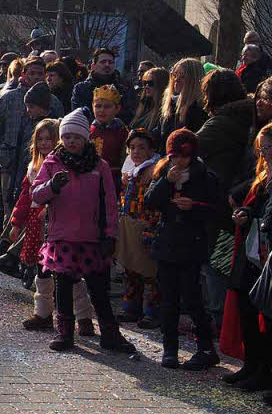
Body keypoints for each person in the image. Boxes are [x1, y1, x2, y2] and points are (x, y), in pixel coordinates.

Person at [30, 110, 136, 354]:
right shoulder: (53, 163)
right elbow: (36, 195)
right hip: (62, 236)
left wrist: (110, 234)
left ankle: (110, 334)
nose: (71, 142)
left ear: (85, 138)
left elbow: (110, 203)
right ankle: (64, 333)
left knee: (99, 289)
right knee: (64, 288)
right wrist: (51, 186)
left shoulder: (100, 166)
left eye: (76, 137)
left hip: (93, 237)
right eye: (66, 137)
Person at [143, 129, 221, 369]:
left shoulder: (205, 176)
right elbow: (150, 201)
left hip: (192, 242)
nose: (179, 162)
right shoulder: (164, 173)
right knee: (168, 299)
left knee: (192, 298)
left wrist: (194, 207)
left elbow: (217, 209)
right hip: (167, 242)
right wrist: (167, 181)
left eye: (184, 157)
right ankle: (170, 348)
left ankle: (205, 348)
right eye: (174, 157)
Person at [0, 58, 61, 268]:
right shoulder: (9, 99)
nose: (36, 77)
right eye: (32, 73)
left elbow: (59, 135)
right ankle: (3, 251)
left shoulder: (54, 103)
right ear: (23, 74)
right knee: (8, 207)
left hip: (38, 166)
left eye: (40, 74)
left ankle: (17, 258)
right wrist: (2, 154)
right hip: (9, 164)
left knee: (30, 210)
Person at [18, 119, 96, 335]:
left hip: (60, 225)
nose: (44, 144)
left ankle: (84, 316)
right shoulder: (35, 165)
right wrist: (17, 220)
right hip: (38, 224)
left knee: (70, 274)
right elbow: (27, 195)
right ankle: (43, 313)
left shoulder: (65, 163)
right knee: (42, 271)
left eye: (48, 139)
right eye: (40, 139)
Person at [116, 129, 161, 327]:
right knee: (131, 269)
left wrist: (152, 225)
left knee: (150, 272)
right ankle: (131, 307)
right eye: (132, 147)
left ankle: (151, 312)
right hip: (128, 223)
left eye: (142, 147)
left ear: (151, 150)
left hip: (146, 225)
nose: (136, 152)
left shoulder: (156, 171)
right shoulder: (129, 172)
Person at [70, 47, 136, 123]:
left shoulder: (124, 88)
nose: (107, 65)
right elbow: (78, 115)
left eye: (110, 62)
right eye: (103, 62)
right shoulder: (81, 88)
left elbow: (129, 115)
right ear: (93, 66)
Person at [160, 58, 207, 146]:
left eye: (182, 76)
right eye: (174, 75)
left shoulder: (198, 110)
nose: (176, 79)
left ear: (194, 79)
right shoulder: (170, 104)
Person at [89, 85, 129, 189]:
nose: (101, 110)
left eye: (107, 107)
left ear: (117, 108)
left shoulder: (122, 132)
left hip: (113, 180)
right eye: (98, 106)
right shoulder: (88, 131)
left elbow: (125, 158)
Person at [130, 66, 169, 138]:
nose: (146, 86)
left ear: (161, 84)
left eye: (150, 83)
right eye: (145, 83)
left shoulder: (165, 111)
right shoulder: (143, 105)